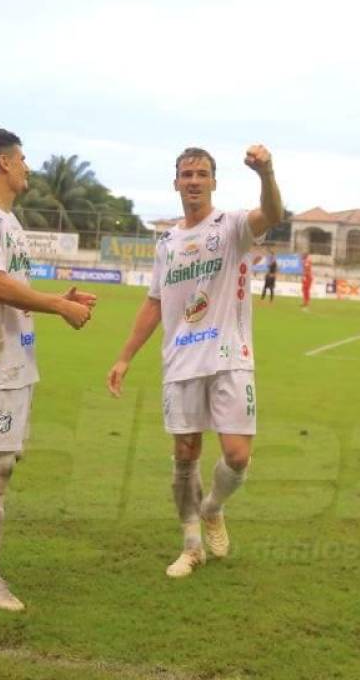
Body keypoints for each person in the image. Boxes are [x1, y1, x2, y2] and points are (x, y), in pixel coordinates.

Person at [0, 127, 96, 612]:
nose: (28, 167)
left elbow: (15, 285)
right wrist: (57, 307)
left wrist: (56, 300)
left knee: (5, 455)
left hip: (17, 357)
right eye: (23, 159)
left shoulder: (8, 220)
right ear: (4, 162)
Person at [106, 144, 283, 578]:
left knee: (237, 456)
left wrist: (266, 173)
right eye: (187, 174)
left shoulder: (234, 227)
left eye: (202, 174)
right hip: (181, 361)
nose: (194, 181)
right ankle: (190, 547)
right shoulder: (167, 242)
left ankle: (212, 508)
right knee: (185, 453)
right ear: (176, 183)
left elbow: (273, 213)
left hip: (229, 356)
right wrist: (125, 357)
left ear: (214, 182)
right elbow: (153, 303)